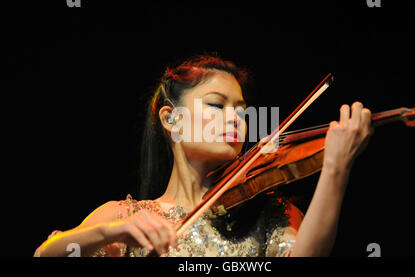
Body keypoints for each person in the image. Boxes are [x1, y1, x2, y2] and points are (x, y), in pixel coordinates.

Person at [33, 54, 373, 257]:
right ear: (171, 120)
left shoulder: (270, 214)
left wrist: (335, 169)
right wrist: (112, 232)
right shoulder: (127, 216)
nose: (236, 119)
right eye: (216, 105)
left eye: (241, 110)